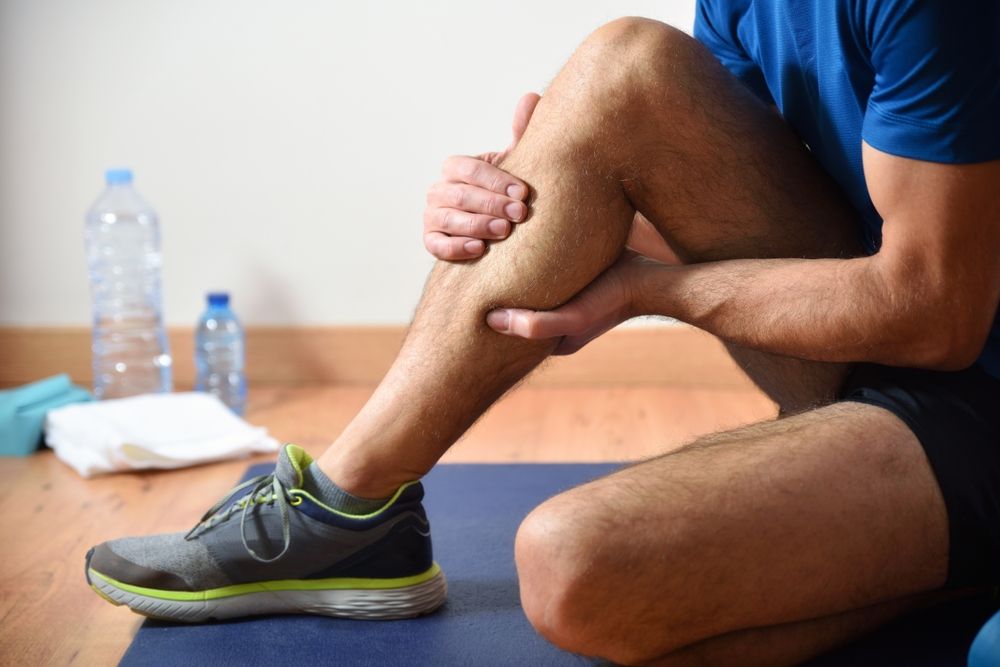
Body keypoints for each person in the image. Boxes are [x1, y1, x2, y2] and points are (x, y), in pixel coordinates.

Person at [85, 1, 1000, 664]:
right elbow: (736, 212)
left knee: (570, 568)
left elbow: (937, 313)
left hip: (973, 396)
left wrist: (658, 293)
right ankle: (344, 506)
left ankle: (951, 561)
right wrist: (538, 188)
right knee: (624, 66)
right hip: (882, 357)